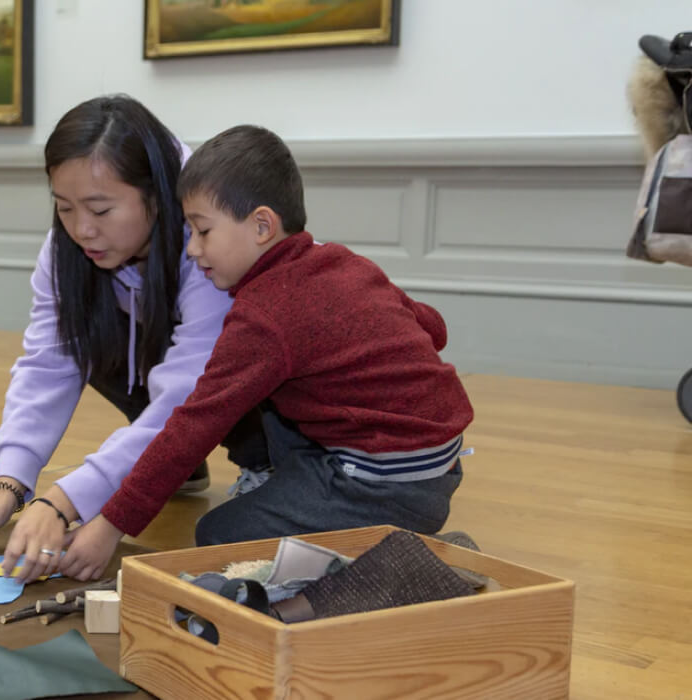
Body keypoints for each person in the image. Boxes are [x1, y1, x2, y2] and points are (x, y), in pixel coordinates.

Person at [57, 125, 474, 582]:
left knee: (220, 534)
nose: (192, 249)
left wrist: (111, 524)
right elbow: (432, 326)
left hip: (384, 486)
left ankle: (391, 556)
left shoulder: (264, 316)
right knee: (280, 387)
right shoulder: (339, 260)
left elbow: (193, 427)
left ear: (261, 226)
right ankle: (354, 521)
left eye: (202, 230)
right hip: (440, 466)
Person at [0, 95, 266, 577]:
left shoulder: (210, 239)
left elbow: (190, 394)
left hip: (251, 391)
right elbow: (46, 363)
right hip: (180, 388)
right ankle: (166, 465)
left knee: (231, 531)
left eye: (100, 208)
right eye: (64, 208)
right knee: (86, 333)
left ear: (156, 193)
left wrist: (63, 503)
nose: (82, 229)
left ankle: (270, 462)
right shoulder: (68, 247)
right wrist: (9, 486)